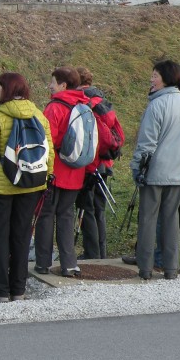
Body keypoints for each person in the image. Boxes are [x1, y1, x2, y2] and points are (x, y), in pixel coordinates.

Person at [0, 72, 53, 304]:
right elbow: (49, 151)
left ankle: (0, 293)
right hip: (30, 185)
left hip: (0, 187)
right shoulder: (38, 114)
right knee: (22, 237)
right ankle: (18, 290)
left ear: (7, 89)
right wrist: (45, 179)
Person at [129, 60, 180, 280]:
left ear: (166, 78)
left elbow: (146, 144)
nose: (151, 79)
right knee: (171, 220)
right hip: (178, 173)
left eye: (155, 75)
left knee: (148, 220)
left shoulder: (156, 106)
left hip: (155, 172)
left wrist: (136, 169)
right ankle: (170, 268)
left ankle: (146, 268)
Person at [35, 67, 91, 277]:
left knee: (46, 215)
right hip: (76, 172)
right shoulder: (85, 106)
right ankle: (69, 264)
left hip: (55, 171)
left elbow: (47, 141)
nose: (50, 86)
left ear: (63, 85)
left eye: (53, 82)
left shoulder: (55, 107)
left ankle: (43, 263)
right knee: (67, 216)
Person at [76, 66, 123, 260]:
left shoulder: (82, 102)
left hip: (89, 164)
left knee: (86, 209)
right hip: (105, 164)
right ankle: (101, 252)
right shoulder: (103, 101)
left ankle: (91, 253)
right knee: (99, 209)